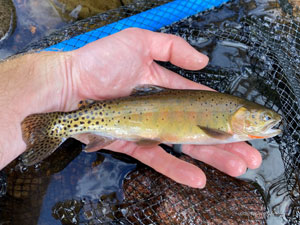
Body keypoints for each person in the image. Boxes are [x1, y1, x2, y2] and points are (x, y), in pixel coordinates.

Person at [0, 28, 262, 188]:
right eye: (263, 118)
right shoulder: (224, 127)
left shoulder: (228, 117)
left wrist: (64, 76)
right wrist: (67, 77)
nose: (267, 123)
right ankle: (58, 126)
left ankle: (57, 125)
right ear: (242, 115)